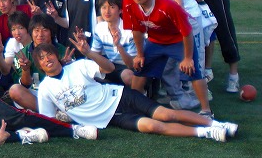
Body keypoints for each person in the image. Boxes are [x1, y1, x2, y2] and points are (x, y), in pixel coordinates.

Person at [33, 38, 236, 142]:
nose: (47, 59)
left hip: (121, 97)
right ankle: (206, 132)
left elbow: (109, 68)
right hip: (112, 118)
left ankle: (217, 124)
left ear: (56, 56)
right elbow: (48, 120)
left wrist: (89, 53)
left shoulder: (77, 66)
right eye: (41, 59)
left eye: (49, 54)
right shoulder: (45, 89)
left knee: (167, 114)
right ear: (40, 66)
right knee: (154, 127)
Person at [121, 0, 213, 117]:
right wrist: (140, 54)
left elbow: (187, 32)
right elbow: (136, 29)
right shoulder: (128, 2)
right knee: (140, 69)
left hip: (178, 40)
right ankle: (134, 106)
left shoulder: (167, 5)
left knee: (193, 70)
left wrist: (188, 58)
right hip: (155, 40)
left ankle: (206, 110)